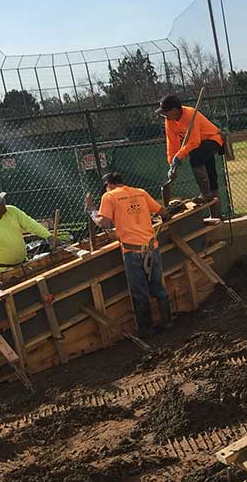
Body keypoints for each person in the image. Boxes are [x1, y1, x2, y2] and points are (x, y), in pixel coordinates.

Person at [86, 172, 172, 337]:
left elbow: (104, 222)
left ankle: (146, 330)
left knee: (140, 291)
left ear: (108, 185)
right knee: (159, 287)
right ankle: (167, 322)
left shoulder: (109, 196)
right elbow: (162, 211)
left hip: (133, 252)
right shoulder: (140, 192)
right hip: (151, 248)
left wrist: (91, 212)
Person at [0, 190, 64, 283]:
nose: (4, 203)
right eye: (0, 202)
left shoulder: (12, 211)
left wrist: (49, 237)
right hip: (4, 272)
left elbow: (31, 224)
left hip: (24, 264)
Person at [157, 94, 225, 202]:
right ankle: (216, 211)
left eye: (165, 111)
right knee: (209, 173)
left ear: (174, 110)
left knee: (195, 157)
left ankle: (206, 194)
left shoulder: (190, 115)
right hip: (199, 145)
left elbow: (194, 142)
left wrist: (178, 156)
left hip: (213, 139)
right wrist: (171, 163)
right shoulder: (169, 121)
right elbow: (172, 143)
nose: (164, 115)